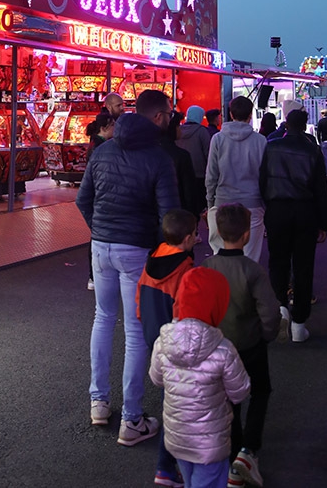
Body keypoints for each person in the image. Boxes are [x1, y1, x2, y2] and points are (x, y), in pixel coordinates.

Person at [76, 88, 179, 443]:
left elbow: (82, 198)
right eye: (167, 113)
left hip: (101, 246)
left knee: (102, 318)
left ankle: (98, 401)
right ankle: (132, 419)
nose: (169, 117)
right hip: (135, 249)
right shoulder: (159, 158)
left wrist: (100, 228)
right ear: (155, 120)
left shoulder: (103, 151)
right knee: (135, 331)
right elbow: (168, 215)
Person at [149, 267, 251, 488]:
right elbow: (240, 391)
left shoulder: (163, 343)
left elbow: (157, 379)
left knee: (190, 480)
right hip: (210, 443)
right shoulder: (223, 350)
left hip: (177, 439)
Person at [203, 204, 281, 488]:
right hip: (250, 345)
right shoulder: (253, 270)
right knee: (260, 391)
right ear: (247, 235)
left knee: (229, 400)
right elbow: (270, 313)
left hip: (218, 345)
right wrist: (267, 335)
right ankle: (249, 451)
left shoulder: (207, 267)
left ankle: (235, 455)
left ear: (217, 232)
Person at [137, 208, 196, 488]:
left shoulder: (151, 261)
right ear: (187, 239)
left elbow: (138, 302)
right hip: (175, 345)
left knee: (168, 402)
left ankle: (169, 466)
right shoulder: (185, 270)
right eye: (196, 234)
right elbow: (185, 312)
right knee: (176, 409)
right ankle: (166, 468)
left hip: (153, 338)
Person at [259, 108, 327, 342]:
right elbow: (321, 190)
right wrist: (324, 222)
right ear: (305, 125)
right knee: (303, 266)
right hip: (305, 212)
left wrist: (268, 205)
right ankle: (299, 322)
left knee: (277, 261)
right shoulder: (313, 150)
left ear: (286, 124)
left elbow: (262, 181)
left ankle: (280, 307)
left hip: (277, 210)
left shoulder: (271, 147)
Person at [205, 96, 267, 261]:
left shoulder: (218, 139)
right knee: (249, 258)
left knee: (221, 256)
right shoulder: (261, 141)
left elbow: (211, 175)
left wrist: (211, 203)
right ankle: (245, 286)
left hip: (223, 202)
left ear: (231, 114)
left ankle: (223, 287)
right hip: (253, 203)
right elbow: (265, 176)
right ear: (250, 116)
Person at [84, 111, 116, 290]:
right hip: (99, 195)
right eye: (113, 125)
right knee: (96, 238)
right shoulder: (100, 147)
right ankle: (94, 276)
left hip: (97, 195)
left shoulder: (96, 144)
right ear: (105, 127)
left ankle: (96, 276)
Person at [161, 112, 198, 218]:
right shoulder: (182, 156)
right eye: (178, 126)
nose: (180, 129)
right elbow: (189, 192)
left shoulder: (149, 152)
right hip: (179, 213)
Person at [176, 105, 211, 217]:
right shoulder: (202, 132)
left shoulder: (178, 130)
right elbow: (208, 153)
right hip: (199, 174)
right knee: (199, 205)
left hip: (180, 174)